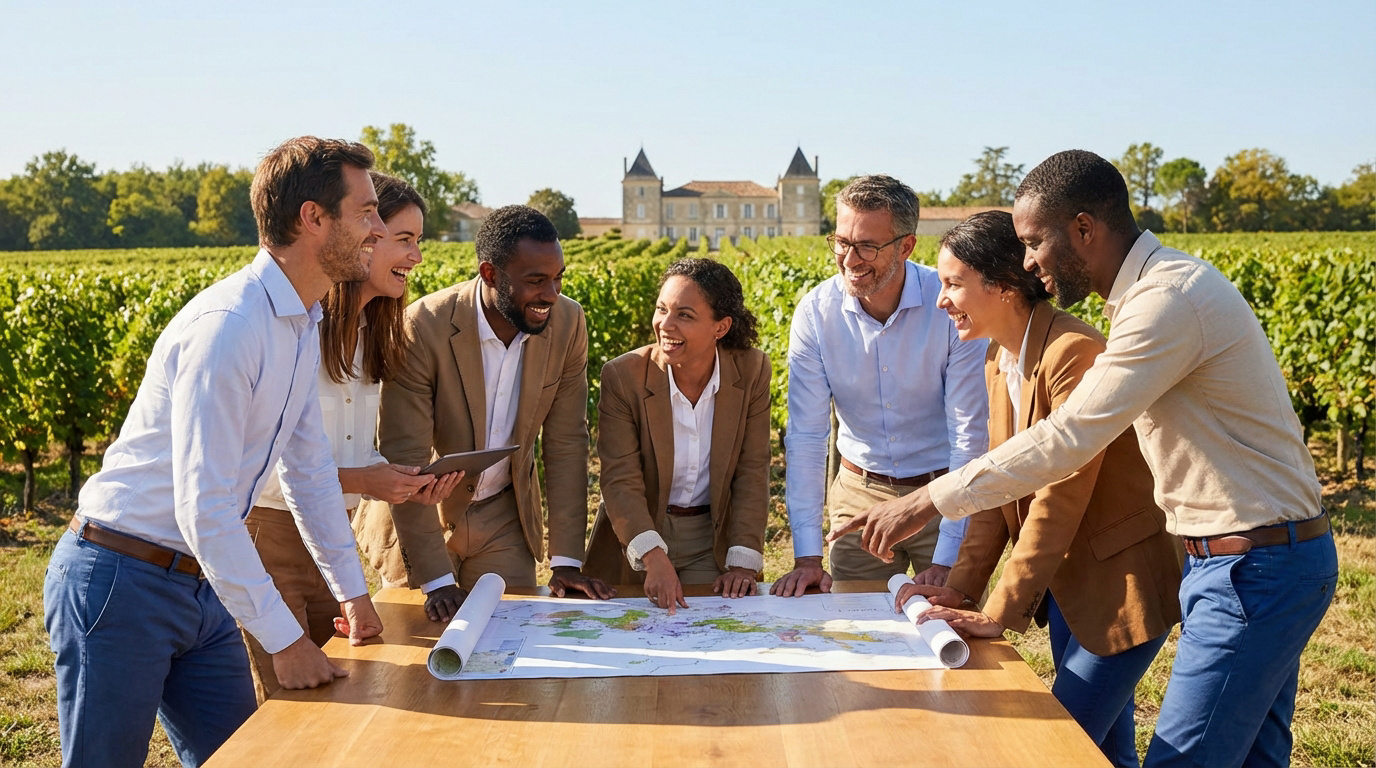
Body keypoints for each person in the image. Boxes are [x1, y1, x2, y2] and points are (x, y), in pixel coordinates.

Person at [836, 150, 1338, 767]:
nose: (1026, 262)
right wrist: (964, 584)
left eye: (1033, 243)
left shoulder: (1164, 302)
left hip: (1252, 567)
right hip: (1253, 559)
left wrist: (927, 500)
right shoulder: (1145, 298)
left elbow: (1069, 439)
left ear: (1082, 229)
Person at [43, 136, 388, 766]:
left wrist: (352, 593)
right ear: (313, 217)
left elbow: (309, 471)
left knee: (237, 757)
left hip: (205, 584)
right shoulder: (231, 327)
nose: (378, 229)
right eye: (365, 212)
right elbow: (204, 508)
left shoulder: (302, 324)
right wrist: (286, 641)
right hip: (122, 579)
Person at [895, 211, 1181, 766]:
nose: (941, 300)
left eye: (953, 284)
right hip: (1069, 584)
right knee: (1104, 752)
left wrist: (998, 612)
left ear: (1003, 285)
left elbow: (1060, 492)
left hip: (1120, 583)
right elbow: (997, 482)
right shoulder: (998, 358)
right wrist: (962, 588)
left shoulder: (1075, 352)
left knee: (1059, 748)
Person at [240, 171, 462, 702]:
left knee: (331, 699)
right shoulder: (298, 332)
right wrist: (367, 479)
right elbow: (265, 464)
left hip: (332, 541)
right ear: (365, 234)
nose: (416, 256)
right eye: (403, 239)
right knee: (288, 701)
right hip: (268, 537)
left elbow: (345, 449)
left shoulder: (374, 334)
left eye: (418, 241)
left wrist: (404, 482)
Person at [369, 204, 614, 623]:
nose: (551, 294)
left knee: (511, 638)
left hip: (505, 515)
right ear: (490, 274)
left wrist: (567, 562)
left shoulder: (568, 322)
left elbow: (567, 443)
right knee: (420, 649)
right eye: (535, 281)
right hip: (423, 511)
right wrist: (435, 580)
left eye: (557, 278)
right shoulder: (422, 327)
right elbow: (404, 457)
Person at [770, 174, 988, 597]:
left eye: (867, 246)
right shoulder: (816, 313)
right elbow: (808, 436)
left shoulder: (950, 307)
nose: (850, 259)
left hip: (943, 493)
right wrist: (807, 557)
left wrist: (947, 555)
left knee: (949, 622)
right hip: (858, 494)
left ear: (906, 246)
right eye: (842, 242)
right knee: (856, 626)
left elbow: (969, 435)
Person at [584, 258, 771, 613]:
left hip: (710, 537)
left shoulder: (752, 371)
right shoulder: (623, 377)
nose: (665, 325)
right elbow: (620, 479)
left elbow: (753, 469)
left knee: (712, 631)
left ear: (721, 327)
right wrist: (653, 556)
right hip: (638, 536)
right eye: (661, 309)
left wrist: (744, 561)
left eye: (684, 315)